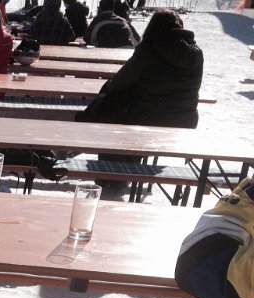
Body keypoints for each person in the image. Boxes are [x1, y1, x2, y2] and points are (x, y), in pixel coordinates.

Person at [77, 9, 202, 183]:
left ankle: (113, 175)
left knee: (111, 108)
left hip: (148, 119)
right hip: (184, 121)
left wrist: (106, 89)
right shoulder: (196, 54)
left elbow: (121, 81)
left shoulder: (148, 49)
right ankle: (122, 168)